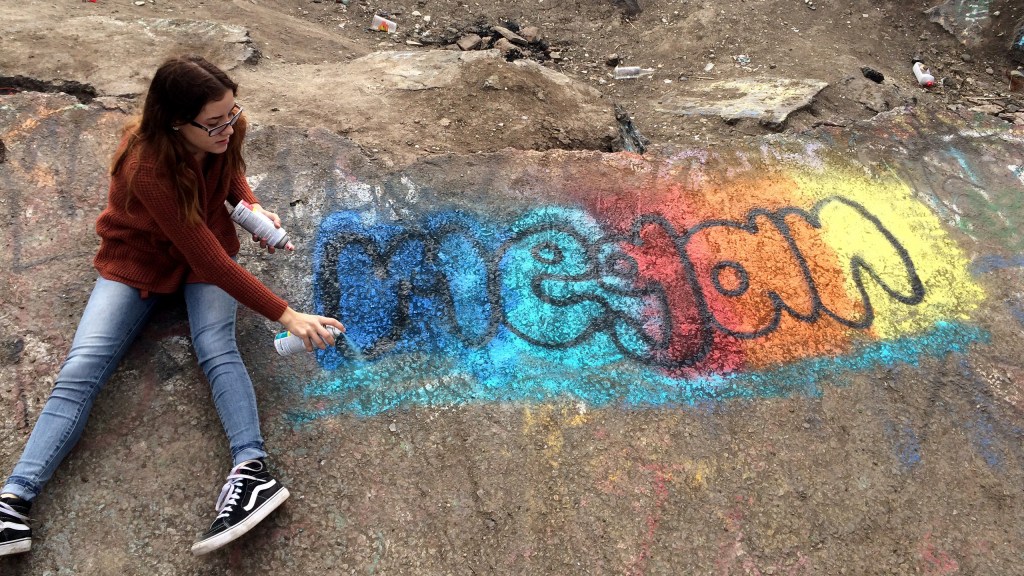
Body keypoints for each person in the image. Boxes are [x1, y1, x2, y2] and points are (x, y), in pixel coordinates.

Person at [0, 55, 344, 557]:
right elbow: (205, 255)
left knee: (217, 346)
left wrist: (248, 207)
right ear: (175, 123)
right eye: (214, 122)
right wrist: (288, 315)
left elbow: (231, 172)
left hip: (205, 247)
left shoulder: (226, 126)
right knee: (84, 365)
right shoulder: (147, 165)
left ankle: (253, 474)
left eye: (232, 113)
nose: (229, 126)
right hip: (138, 261)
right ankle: (13, 501)